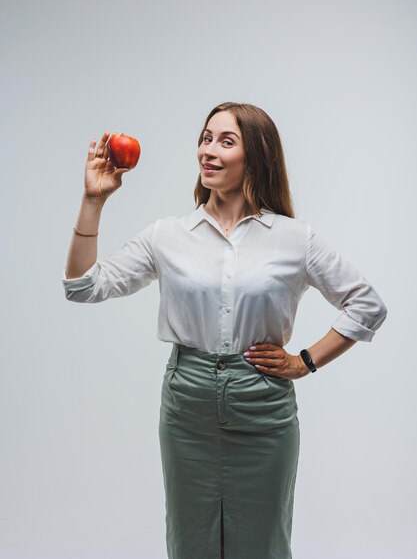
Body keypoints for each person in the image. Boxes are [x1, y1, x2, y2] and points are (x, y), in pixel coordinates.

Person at [62, 101, 388, 559]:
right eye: (205, 138)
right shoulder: (168, 235)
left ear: (256, 156)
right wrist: (93, 201)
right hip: (187, 404)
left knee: (262, 543)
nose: (208, 151)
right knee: (190, 542)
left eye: (225, 142)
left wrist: (305, 362)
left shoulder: (295, 238)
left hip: (263, 403)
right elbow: (82, 287)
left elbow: (367, 304)